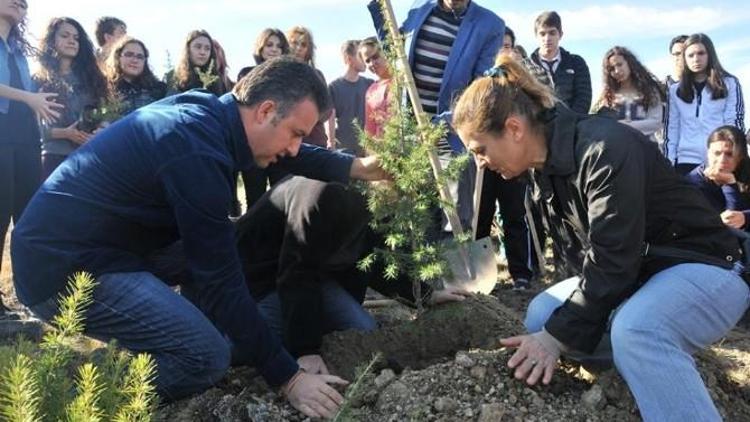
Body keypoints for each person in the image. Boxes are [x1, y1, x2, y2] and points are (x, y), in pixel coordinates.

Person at [12, 57, 385, 419]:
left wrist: (355, 167)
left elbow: (286, 153)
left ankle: (166, 333)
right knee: (206, 357)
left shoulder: (210, 117)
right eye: (297, 133)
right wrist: (288, 378)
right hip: (64, 269)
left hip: (102, 244)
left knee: (220, 245)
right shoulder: (195, 152)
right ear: (265, 110)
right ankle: (66, 395)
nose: (294, 148)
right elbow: (221, 281)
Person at [452, 54, 749, 421]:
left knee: (636, 330)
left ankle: (653, 354)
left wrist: (559, 337)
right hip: (643, 273)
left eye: (480, 150)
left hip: (706, 266)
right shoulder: (543, 172)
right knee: (542, 316)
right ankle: (651, 366)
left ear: (514, 128)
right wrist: (554, 333)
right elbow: (585, 264)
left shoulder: (603, 150)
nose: (480, 163)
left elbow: (613, 259)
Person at [237, 176, 471, 370]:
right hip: (261, 278)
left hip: (314, 277)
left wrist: (427, 295)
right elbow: (297, 272)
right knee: (249, 349)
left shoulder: (373, 215)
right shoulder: (323, 202)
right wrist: (306, 350)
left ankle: (305, 324)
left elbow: (375, 262)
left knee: (363, 331)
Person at [368, 0, 504, 234]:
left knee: (455, 223)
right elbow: (394, 51)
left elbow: (478, 88)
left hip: (452, 139)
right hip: (413, 137)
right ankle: (424, 272)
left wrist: (438, 123)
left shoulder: (489, 25)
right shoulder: (419, 9)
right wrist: (378, 6)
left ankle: (458, 270)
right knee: (420, 219)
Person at [0, 0, 62, 313]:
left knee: (27, 219)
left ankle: (32, 295)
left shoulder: (19, 51)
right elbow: (28, 97)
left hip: (26, 141)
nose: (20, 2)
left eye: (24, 2)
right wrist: (28, 97)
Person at [34, 16, 109, 178]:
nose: (72, 41)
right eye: (65, 36)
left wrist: (102, 129)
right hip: (53, 157)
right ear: (51, 40)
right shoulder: (37, 81)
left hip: (90, 155)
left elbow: (106, 112)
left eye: (76, 38)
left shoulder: (94, 80)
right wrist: (65, 133)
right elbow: (28, 128)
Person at [665, 33, 745, 176]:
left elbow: (733, 122)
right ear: (684, 58)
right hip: (686, 160)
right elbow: (672, 130)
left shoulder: (729, 83)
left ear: (710, 54)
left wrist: (731, 157)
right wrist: (669, 165)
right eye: (690, 55)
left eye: (701, 53)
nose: (696, 59)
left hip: (720, 159)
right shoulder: (674, 90)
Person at [593, 46, 665, 142]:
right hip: (618, 151)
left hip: (646, 149)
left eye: (619, 64)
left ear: (629, 63)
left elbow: (655, 123)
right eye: (612, 69)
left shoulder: (649, 90)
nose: (617, 71)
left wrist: (624, 126)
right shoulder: (609, 96)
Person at [687, 126, 750, 230]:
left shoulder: (747, 170)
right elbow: (730, 225)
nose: (722, 160)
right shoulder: (695, 182)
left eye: (729, 154)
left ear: (740, 156)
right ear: (708, 154)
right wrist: (729, 184)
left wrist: (745, 217)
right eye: (717, 153)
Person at [530, 11, 591, 115]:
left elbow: (584, 98)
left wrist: (569, 120)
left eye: (552, 33)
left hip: (572, 125)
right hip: (538, 126)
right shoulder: (525, 67)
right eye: (542, 34)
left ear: (560, 34)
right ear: (536, 35)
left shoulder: (576, 63)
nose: (547, 38)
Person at [327, 39, 372, 156]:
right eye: (360, 55)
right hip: (344, 152)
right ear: (349, 58)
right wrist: (330, 145)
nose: (365, 59)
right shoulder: (334, 87)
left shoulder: (370, 85)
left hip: (369, 151)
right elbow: (330, 118)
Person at [287, 26, 329, 148]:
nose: (298, 48)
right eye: (294, 43)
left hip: (315, 140)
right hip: (287, 143)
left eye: (303, 45)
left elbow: (327, 109)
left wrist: (306, 117)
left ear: (308, 49)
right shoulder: (280, 73)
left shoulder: (317, 75)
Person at [106, 36, 166, 116]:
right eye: (129, 55)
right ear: (118, 57)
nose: (134, 60)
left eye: (140, 57)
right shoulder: (105, 90)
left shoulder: (159, 90)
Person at [164, 29, 228, 96]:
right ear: (188, 49)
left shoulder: (216, 79)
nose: (202, 52)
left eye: (207, 48)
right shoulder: (174, 76)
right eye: (198, 47)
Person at [359, 36, 393, 139]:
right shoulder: (371, 91)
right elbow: (370, 130)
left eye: (375, 57)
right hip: (384, 151)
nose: (372, 63)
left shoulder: (405, 80)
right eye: (367, 61)